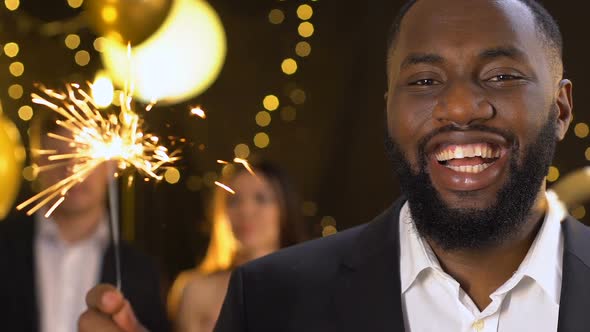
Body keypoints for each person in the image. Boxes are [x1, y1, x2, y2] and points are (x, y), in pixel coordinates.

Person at [78, 0, 588, 331]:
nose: (458, 107)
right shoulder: (270, 300)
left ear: (562, 109)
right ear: (388, 109)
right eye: (425, 81)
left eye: (500, 75)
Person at [0, 112, 169, 332]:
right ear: (38, 163)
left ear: (112, 164)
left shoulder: (143, 270)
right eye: (58, 156)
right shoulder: (4, 245)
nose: (73, 170)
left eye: (85, 157)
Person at [167, 160, 308, 331]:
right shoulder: (196, 291)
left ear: (285, 208)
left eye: (261, 199)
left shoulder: (310, 289)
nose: (245, 210)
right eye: (234, 201)